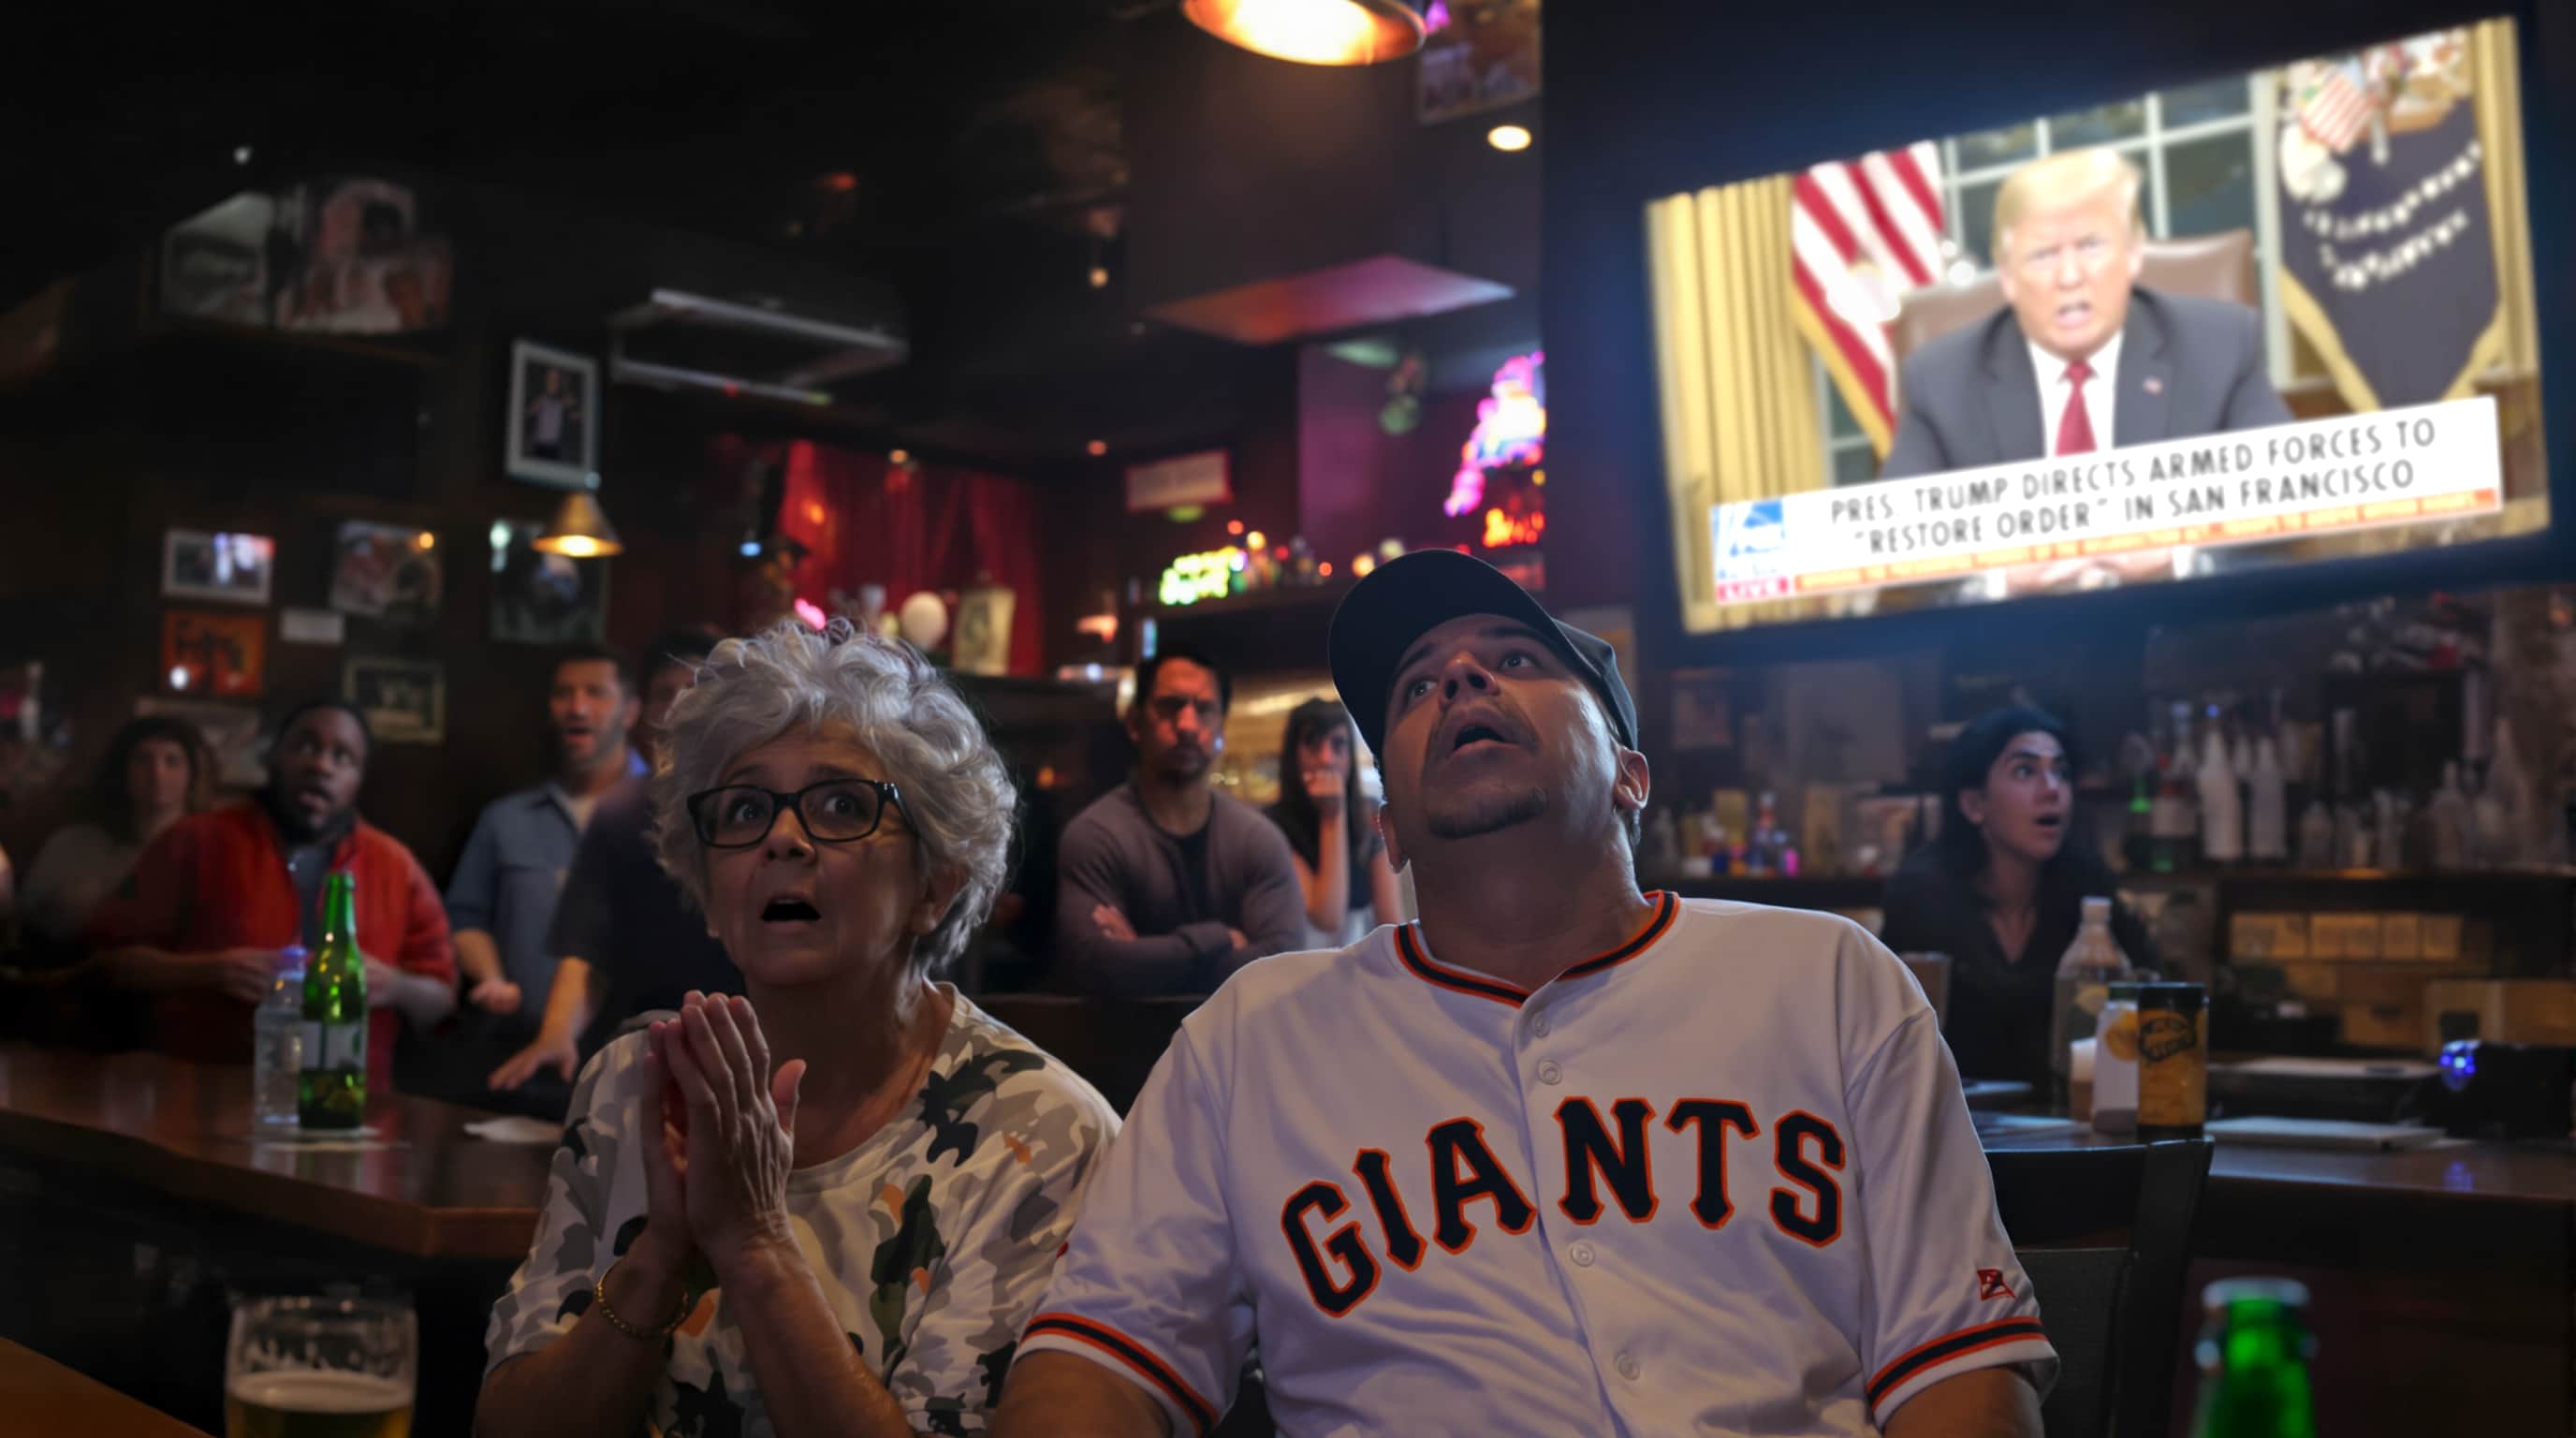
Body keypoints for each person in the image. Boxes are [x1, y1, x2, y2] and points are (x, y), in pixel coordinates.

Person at [997, 550, 2052, 1437]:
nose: (1459, 681)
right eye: (1416, 687)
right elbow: (1096, 1364)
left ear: (1632, 774)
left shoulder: (1828, 979)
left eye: (1514, 660)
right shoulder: (1248, 1038)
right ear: (1390, 826)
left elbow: (1958, 1367)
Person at [479, 617, 1118, 1438]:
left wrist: (751, 1240)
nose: (783, 838)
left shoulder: (1044, 1136)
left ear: (936, 885)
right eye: (744, 809)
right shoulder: (634, 1083)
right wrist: (661, 1256)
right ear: (707, 890)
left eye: (843, 804)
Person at [88, 699, 455, 1094]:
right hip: (197, 1098)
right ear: (274, 755)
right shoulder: (197, 841)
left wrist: (395, 985)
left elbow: (442, 997)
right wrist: (209, 971)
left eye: (342, 757)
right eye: (306, 746)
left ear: (359, 778)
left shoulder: (395, 865)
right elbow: (107, 967)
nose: (321, 766)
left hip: (347, 1104)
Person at [1879, 146, 2291, 481]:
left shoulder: (2220, 349)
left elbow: (2287, 505)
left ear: (2133, 253)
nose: (2070, 276)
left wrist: (2179, 559)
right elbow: (1900, 556)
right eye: (2043, 255)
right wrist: (2002, 578)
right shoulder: (1939, 383)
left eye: (2092, 246)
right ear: (2007, 276)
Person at [490, 629, 740, 1100]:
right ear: (647, 713)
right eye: (668, 693)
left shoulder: (759, 808)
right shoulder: (620, 811)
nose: (684, 705)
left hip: (749, 1047)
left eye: (700, 690)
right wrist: (556, 1035)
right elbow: (585, 948)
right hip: (638, 1054)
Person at [1881, 705, 2159, 1090]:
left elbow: (2148, 998)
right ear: (1974, 805)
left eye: (2060, 772)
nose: (2052, 790)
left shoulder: (2089, 890)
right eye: (2026, 771)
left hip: (2067, 1121)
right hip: (1956, 1124)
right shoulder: (1924, 894)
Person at [440, 647, 646, 1106]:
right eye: (564, 694)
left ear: (630, 710)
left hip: (636, 1066)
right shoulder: (506, 819)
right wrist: (491, 977)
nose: (577, 706)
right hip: (518, 1059)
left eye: (596, 693)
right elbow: (463, 916)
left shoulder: (664, 814)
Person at [1050, 649, 1305, 996]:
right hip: (1128, 1047)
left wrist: (1143, 953)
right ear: (1135, 724)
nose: (1186, 725)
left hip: (1237, 1046)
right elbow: (1098, 965)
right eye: (1169, 707)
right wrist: (1222, 940)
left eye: (1203, 710)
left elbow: (1282, 966)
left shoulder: (1258, 839)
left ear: (1221, 727)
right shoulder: (1096, 836)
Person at [17, 717, 217, 954]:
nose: (156, 772)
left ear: (193, 775)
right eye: (143, 760)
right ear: (123, 770)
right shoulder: (73, 845)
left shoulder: (212, 852)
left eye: (172, 761)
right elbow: (24, 921)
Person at [1265, 698, 1404, 948]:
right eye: (1313, 744)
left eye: (1338, 745)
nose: (1326, 759)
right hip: (1298, 970)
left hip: (1360, 970)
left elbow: (1391, 925)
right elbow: (1326, 917)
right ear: (1292, 755)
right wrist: (1332, 815)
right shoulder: (1271, 828)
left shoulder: (1370, 820)